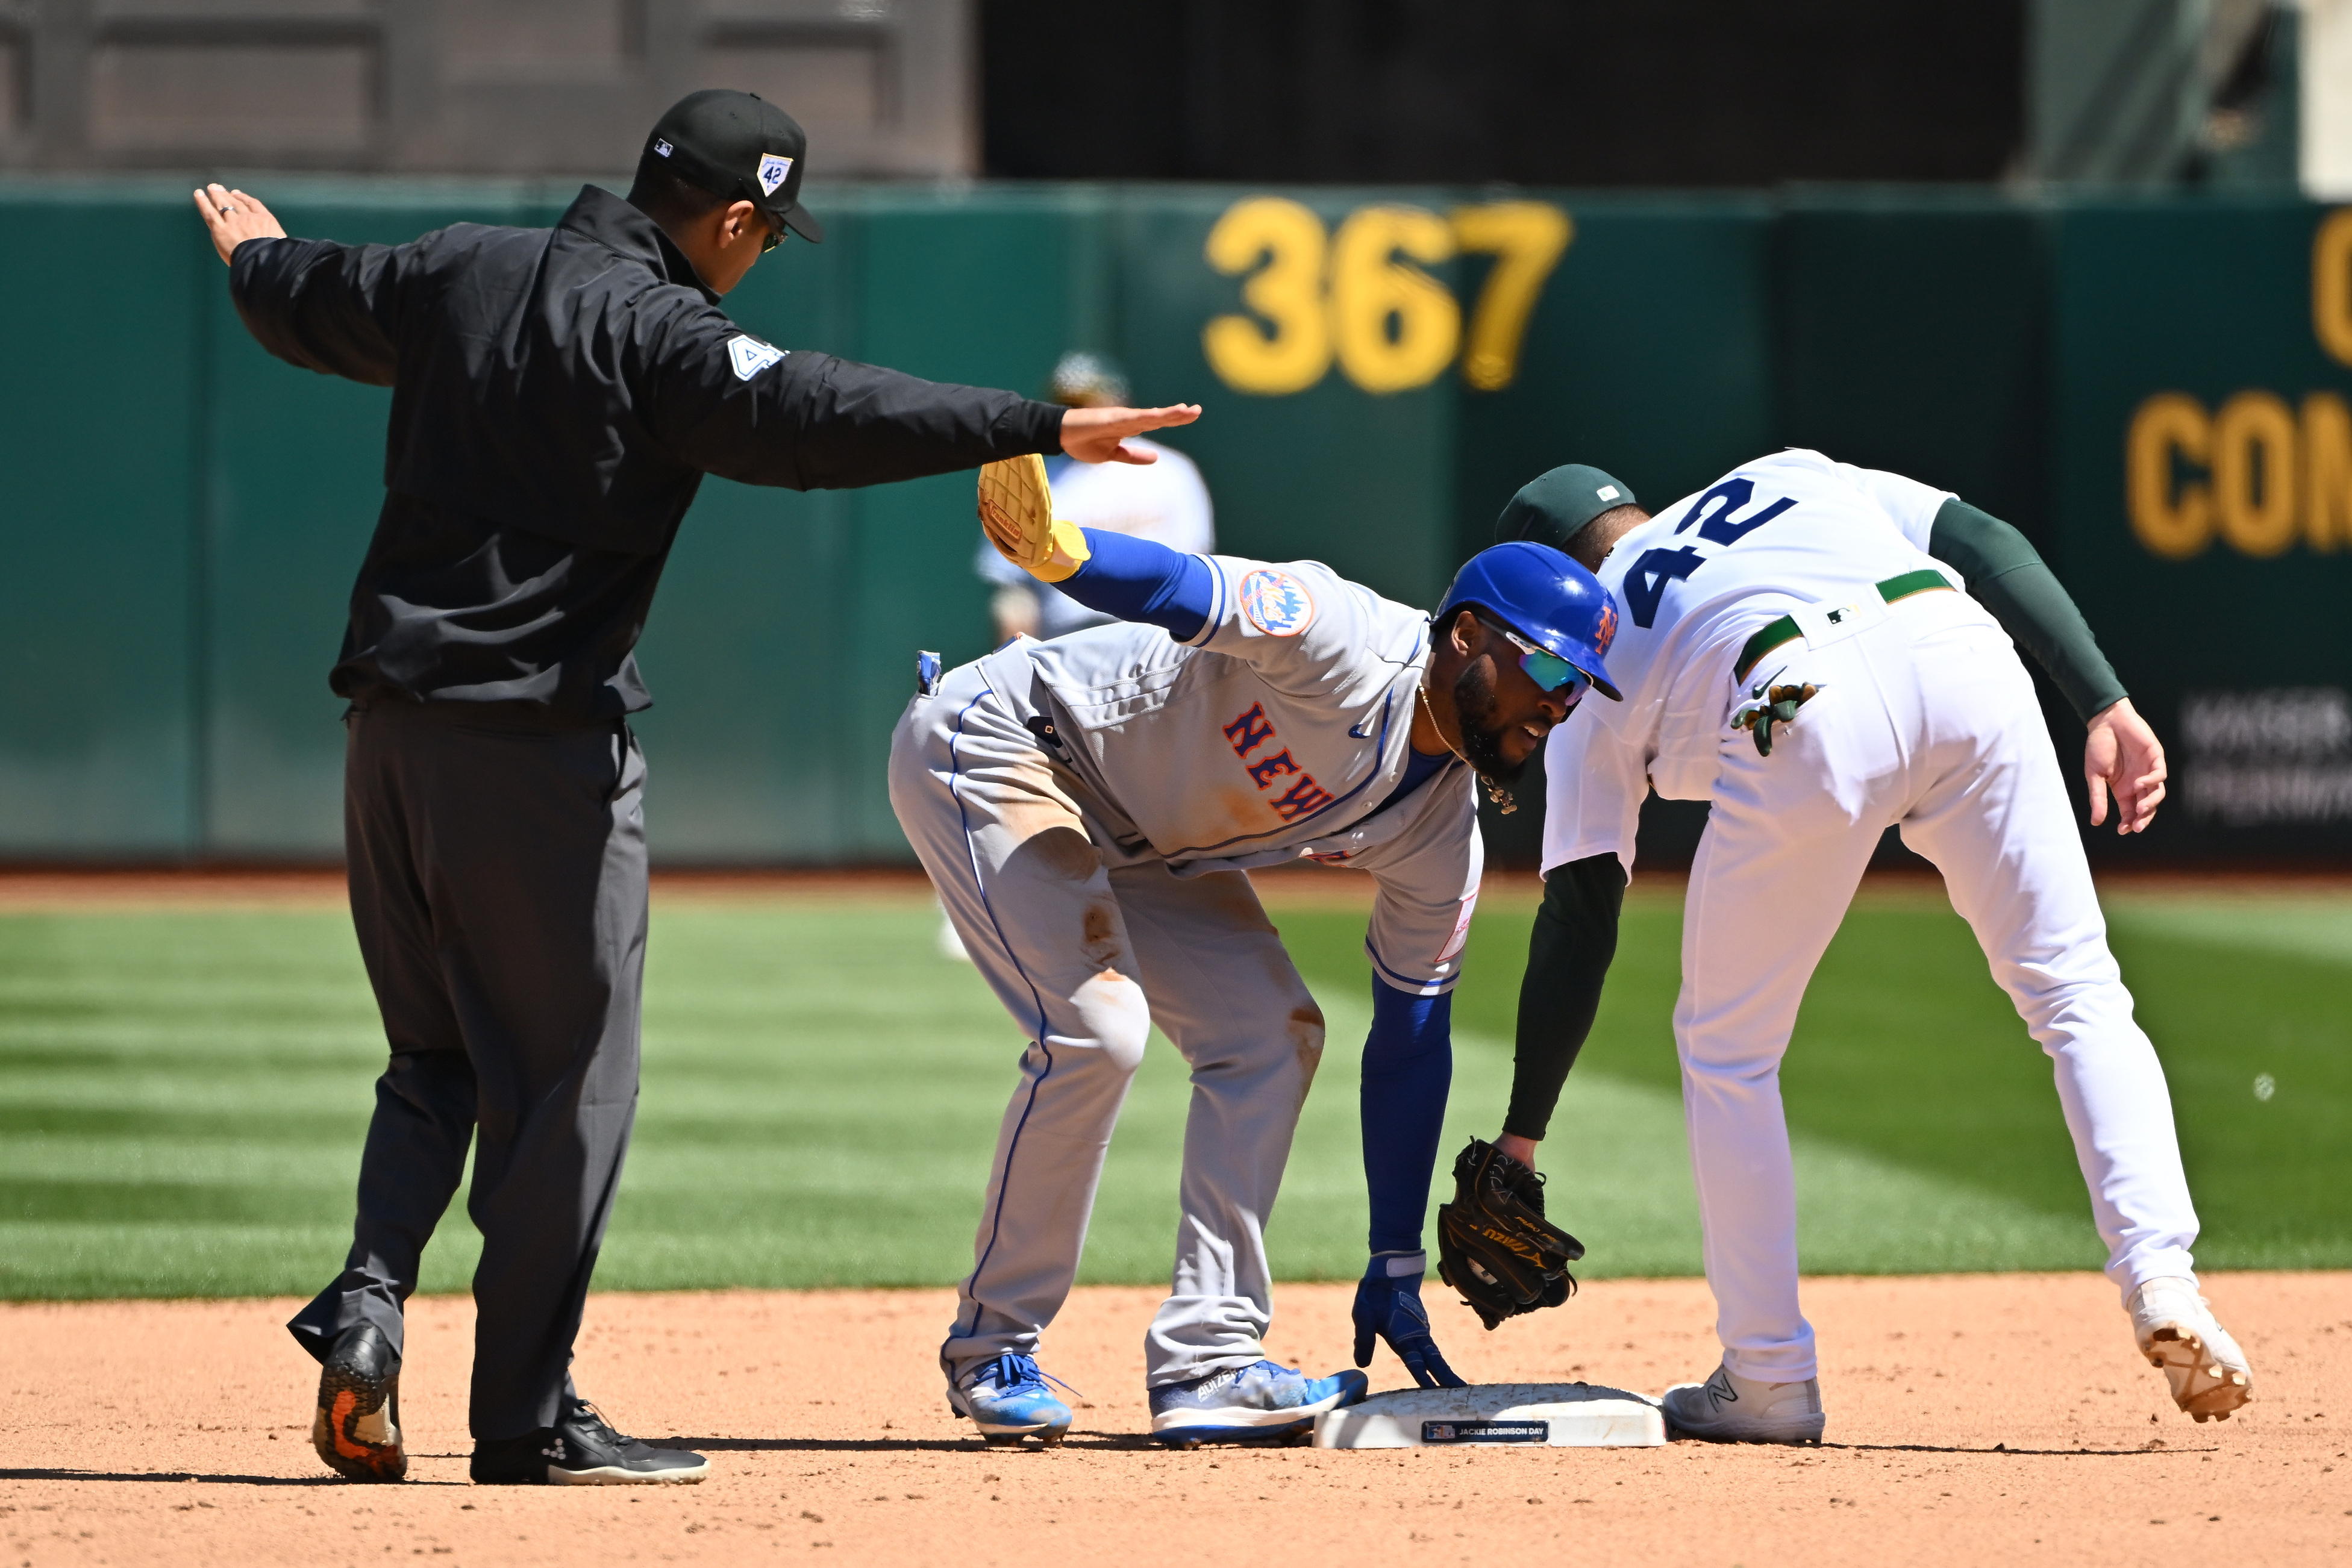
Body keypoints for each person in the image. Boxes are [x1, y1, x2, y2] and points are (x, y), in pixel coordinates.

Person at [192, 87, 1198, 1486]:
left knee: (436, 1054)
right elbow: (817, 413)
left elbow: (299, 293)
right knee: (568, 1085)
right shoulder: (664, 331)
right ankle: (524, 1416)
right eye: (762, 237)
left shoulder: (452, 267)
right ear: (730, 218)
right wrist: (1027, 424)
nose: (758, 257)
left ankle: (367, 1305)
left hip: (386, 736)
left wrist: (251, 257)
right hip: (536, 750)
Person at [1473, 454, 2254, 1444]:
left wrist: (1521, 1135)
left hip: (1794, 691)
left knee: (1727, 1050)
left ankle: (1765, 1376)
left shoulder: (1588, 640)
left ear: (1547, 576)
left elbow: (1580, 916)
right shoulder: (1785, 471)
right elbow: (1984, 541)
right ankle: (2161, 1280)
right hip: (1962, 652)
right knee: (2076, 991)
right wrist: (2101, 700)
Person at [889, 457, 1618, 1445]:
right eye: (1544, 668)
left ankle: (1209, 1358)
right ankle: (990, 1347)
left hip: (1146, 840)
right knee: (1099, 1030)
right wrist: (1063, 552)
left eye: (1576, 689)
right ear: (1463, 635)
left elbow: (1408, 1040)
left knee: (1273, 1036)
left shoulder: (1440, 838)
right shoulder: (1340, 636)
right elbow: (1186, 592)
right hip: (1005, 743)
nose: (1555, 705)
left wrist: (1393, 1257)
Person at [973, 351, 1215, 645]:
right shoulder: (1038, 480)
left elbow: (1197, 565)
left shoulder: (1170, 471)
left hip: (1158, 634)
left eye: (1087, 401)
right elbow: (1014, 591)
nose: (1078, 413)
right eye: (1069, 405)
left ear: (1117, 398)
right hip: (1071, 639)